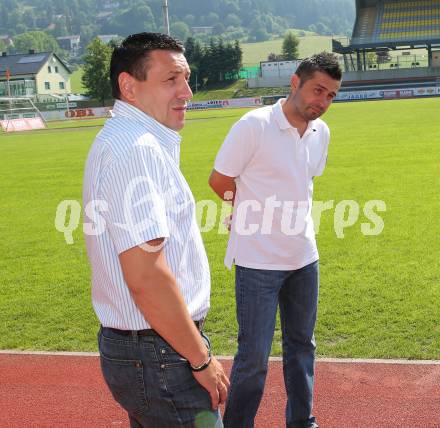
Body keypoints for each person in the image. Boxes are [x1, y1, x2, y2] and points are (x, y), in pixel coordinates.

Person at [83, 32, 229, 428]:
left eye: (186, 78)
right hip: (162, 353)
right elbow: (146, 277)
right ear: (129, 86)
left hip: (150, 349)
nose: (187, 91)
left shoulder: (128, 141)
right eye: (170, 80)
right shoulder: (136, 149)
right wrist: (199, 357)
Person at [209, 52, 342, 428]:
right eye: (318, 90)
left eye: (331, 95)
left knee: (303, 348)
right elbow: (219, 181)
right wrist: (248, 210)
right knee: (253, 357)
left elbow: (306, 180)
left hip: (303, 257)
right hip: (258, 261)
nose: (323, 102)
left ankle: (303, 421)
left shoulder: (321, 133)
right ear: (295, 82)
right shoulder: (254, 125)